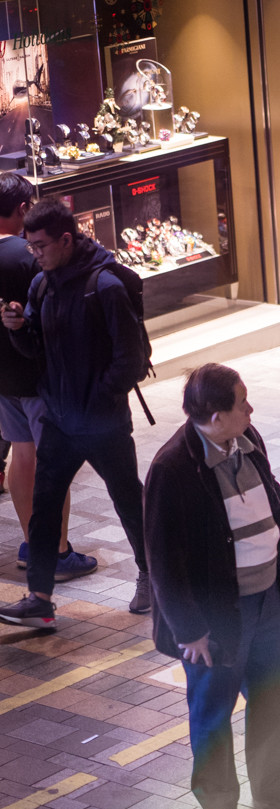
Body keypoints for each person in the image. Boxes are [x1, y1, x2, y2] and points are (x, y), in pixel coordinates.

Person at [143, 365, 280, 809]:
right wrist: (190, 631)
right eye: (243, 403)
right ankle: (219, 808)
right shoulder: (172, 469)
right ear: (217, 417)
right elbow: (162, 561)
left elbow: (275, 502)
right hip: (216, 619)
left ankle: (275, 792)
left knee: (270, 699)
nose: (251, 409)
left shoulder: (248, 439)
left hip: (264, 602)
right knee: (212, 711)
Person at [0, 198, 151, 630]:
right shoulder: (42, 286)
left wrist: (97, 399)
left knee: (128, 501)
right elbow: (36, 352)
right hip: (61, 420)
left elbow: (131, 360)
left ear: (66, 240)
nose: (36, 254)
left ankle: (152, 575)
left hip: (102, 422)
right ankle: (40, 599)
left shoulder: (104, 286)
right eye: (30, 246)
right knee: (44, 508)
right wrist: (19, 329)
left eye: (41, 246)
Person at [0, 175, 86, 579]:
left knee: (21, 453)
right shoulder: (27, 255)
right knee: (52, 460)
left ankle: (34, 544)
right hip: (37, 375)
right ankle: (57, 550)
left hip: (3, 380)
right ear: (22, 210)